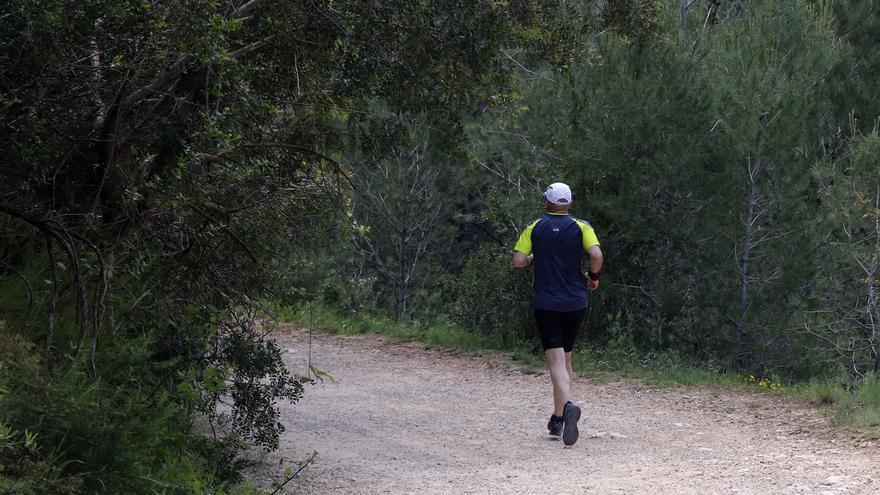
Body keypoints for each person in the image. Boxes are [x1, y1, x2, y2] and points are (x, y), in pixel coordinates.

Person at [512, 182, 603, 446]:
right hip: (576, 301)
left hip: (547, 302)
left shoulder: (535, 227)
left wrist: (533, 259)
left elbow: (518, 261)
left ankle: (568, 409)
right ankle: (558, 418)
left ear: (547, 203)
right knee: (566, 360)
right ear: (569, 204)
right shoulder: (581, 226)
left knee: (555, 362)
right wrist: (594, 278)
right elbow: (596, 255)